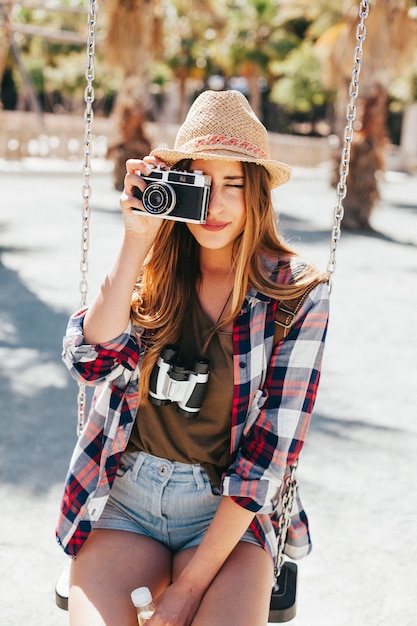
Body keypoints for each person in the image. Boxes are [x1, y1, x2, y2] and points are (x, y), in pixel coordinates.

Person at [56, 89, 329, 626]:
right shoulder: (153, 274)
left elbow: (266, 460)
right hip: (126, 497)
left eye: (234, 185)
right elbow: (90, 361)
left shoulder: (297, 294)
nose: (217, 206)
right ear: (177, 188)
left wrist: (187, 591)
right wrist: (137, 239)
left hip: (226, 512)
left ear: (258, 194)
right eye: (202, 184)